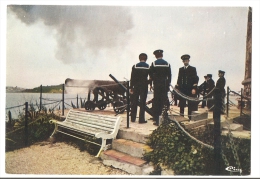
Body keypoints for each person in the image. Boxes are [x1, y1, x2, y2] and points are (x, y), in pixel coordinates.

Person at [149, 49, 171, 126]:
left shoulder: (154, 64)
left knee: (157, 101)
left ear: (155, 56)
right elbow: (169, 76)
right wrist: (168, 85)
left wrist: (151, 84)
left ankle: (157, 119)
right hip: (164, 85)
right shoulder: (167, 64)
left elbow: (151, 76)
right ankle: (164, 117)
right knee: (164, 101)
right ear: (162, 55)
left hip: (157, 85)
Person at [176, 54, 198, 120]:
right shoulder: (181, 69)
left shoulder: (193, 69)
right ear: (183, 62)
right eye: (184, 61)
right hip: (182, 89)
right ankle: (181, 116)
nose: (185, 62)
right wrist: (177, 88)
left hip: (190, 89)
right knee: (182, 103)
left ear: (189, 61)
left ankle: (190, 117)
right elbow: (179, 79)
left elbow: (195, 79)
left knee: (190, 104)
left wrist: (194, 88)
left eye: (186, 61)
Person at [129, 53, 150, 123]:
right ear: (146, 59)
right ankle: (141, 119)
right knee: (142, 103)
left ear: (139, 58)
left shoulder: (135, 66)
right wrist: (148, 83)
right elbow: (151, 77)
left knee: (134, 102)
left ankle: (133, 118)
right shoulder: (148, 67)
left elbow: (132, 78)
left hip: (136, 86)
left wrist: (131, 87)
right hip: (144, 86)